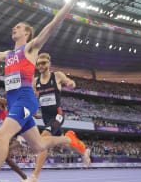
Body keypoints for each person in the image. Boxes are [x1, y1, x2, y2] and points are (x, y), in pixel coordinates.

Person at [0, 0, 89, 181]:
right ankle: (67, 138)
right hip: (14, 101)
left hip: (25, 99)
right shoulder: (8, 53)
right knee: (38, 146)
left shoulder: (30, 48)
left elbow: (53, 24)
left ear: (27, 33)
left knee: (1, 135)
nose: (14, 28)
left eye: (18, 27)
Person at [24, 53, 91, 182]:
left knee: (42, 141)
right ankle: (83, 151)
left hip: (57, 116)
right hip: (45, 117)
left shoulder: (57, 76)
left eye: (43, 63)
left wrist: (71, 84)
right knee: (63, 143)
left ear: (49, 64)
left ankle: (34, 176)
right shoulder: (36, 81)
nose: (41, 65)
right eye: (39, 63)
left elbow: (69, 82)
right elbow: (34, 97)